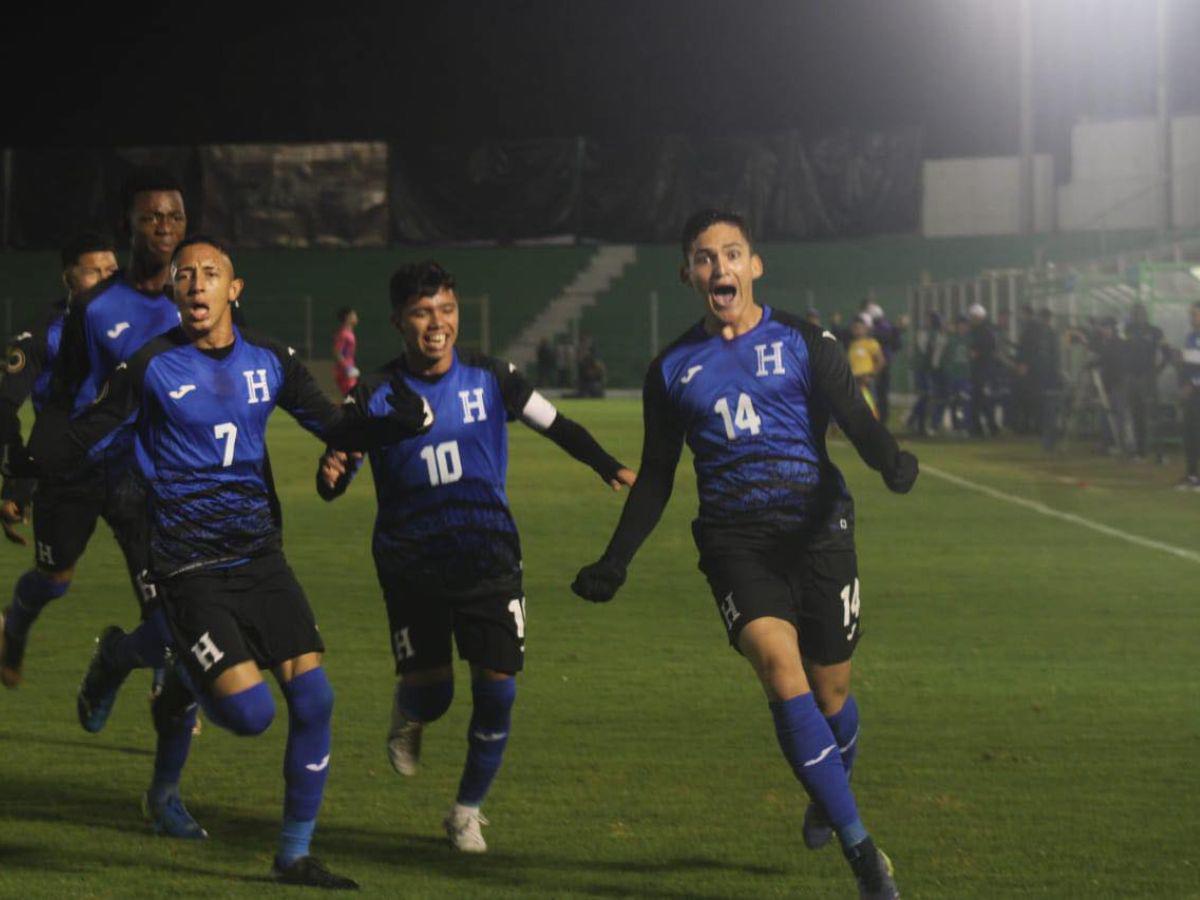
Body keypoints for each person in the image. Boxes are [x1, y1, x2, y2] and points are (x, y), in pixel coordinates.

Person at [29, 236, 433, 888]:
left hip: (259, 558)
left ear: (232, 290)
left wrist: (393, 426)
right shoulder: (150, 365)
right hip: (187, 565)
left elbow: (334, 425)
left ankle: (294, 856)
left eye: (208, 274)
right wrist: (24, 467)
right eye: (184, 275)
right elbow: (83, 430)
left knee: (315, 699)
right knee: (251, 716)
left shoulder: (271, 359)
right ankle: (149, 661)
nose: (193, 284)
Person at [571, 210, 916, 900]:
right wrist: (616, 559)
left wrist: (890, 462)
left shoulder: (804, 340)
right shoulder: (670, 370)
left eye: (732, 254)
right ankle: (864, 856)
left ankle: (829, 790)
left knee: (832, 689)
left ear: (754, 265)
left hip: (819, 531)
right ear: (689, 274)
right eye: (705, 258)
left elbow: (855, 417)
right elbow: (661, 475)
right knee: (778, 666)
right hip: (736, 544)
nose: (719, 267)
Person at [315, 260, 634, 853]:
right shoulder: (375, 394)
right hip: (412, 564)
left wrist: (605, 463)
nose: (437, 324)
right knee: (435, 694)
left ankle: (466, 811)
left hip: (488, 555)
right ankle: (410, 711)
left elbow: (555, 422)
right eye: (422, 312)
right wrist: (332, 469)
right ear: (398, 321)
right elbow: (335, 476)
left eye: (447, 310)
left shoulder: (493, 377)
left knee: (499, 688)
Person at [0, 232, 120, 680]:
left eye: (113, 270)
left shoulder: (143, 325)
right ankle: (14, 625)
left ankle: (175, 694)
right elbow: (5, 404)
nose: (108, 278)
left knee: (170, 583)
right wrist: (17, 481)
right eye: (95, 270)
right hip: (67, 476)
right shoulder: (42, 335)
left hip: (132, 470)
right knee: (54, 580)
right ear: (68, 278)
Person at [1123, 303, 1170, 461]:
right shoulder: (1128, 330)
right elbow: (1122, 350)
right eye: (1134, 313)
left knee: (1153, 416)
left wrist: (1157, 371)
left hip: (1148, 379)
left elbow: (1167, 353)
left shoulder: (1155, 332)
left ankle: (1160, 452)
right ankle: (1140, 451)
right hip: (1132, 379)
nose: (1137, 316)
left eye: (1139, 313)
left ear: (1145, 314)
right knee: (1136, 415)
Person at [1177, 301, 1200, 490]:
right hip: (1192, 395)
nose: (1191, 319)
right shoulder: (1190, 338)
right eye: (1191, 315)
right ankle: (1192, 475)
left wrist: (1193, 384)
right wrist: (1184, 386)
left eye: (1195, 314)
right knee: (1190, 434)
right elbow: (1187, 366)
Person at [966, 303, 999, 437]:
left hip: (983, 370)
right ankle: (980, 427)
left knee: (982, 400)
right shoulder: (980, 331)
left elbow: (990, 350)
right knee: (978, 400)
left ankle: (988, 427)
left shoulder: (985, 332)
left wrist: (978, 353)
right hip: (978, 370)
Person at [847, 314, 885, 419]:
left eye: (859, 327)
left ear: (865, 329)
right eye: (854, 328)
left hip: (866, 379)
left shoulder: (871, 343)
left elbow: (881, 361)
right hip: (854, 380)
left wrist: (871, 376)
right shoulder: (852, 345)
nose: (856, 330)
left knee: (870, 405)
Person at [332, 307, 359, 395]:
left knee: (352, 397)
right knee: (351, 396)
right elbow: (337, 352)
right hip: (344, 372)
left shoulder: (349, 333)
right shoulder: (343, 334)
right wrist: (347, 368)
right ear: (348, 317)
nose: (356, 317)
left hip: (349, 369)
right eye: (354, 314)